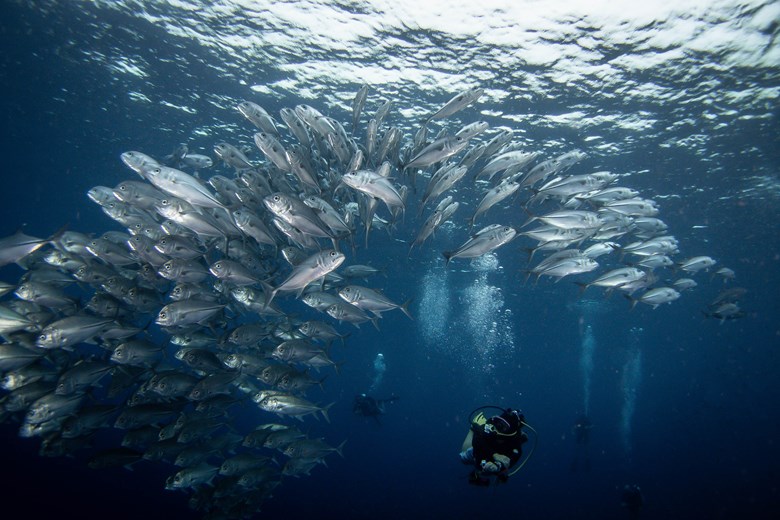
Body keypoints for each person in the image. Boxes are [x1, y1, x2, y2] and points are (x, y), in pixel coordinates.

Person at [460, 408, 528, 486]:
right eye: (497, 422)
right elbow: (478, 440)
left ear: (510, 432)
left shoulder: (515, 447)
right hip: (480, 451)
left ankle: (520, 437)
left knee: (489, 471)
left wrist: (497, 466)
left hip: (499, 455)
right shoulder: (489, 427)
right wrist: (494, 454)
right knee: (464, 457)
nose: (496, 426)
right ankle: (474, 426)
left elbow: (510, 460)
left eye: (503, 427)